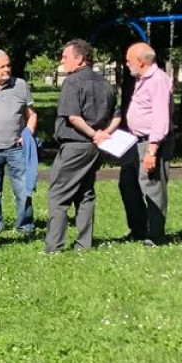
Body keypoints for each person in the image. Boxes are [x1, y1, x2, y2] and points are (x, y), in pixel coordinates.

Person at [98, 42, 172, 246]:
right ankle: (138, 230)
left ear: (141, 62)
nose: (126, 64)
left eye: (129, 60)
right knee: (127, 183)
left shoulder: (158, 80)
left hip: (150, 142)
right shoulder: (141, 79)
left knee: (151, 186)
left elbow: (160, 118)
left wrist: (152, 151)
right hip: (134, 140)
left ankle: (155, 235)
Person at [45, 39, 115, 253]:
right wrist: (104, 135)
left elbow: (73, 117)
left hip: (75, 145)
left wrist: (94, 134)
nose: (62, 61)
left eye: (65, 57)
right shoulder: (105, 83)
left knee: (58, 194)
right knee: (85, 193)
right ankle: (84, 244)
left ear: (79, 58)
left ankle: (53, 246)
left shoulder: (72, 82)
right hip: (95, 148)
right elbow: (118, 116)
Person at [0, 50, 38, 237]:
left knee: (23, 189)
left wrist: (27, 133)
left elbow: (32, 114)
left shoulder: (20, 85)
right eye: (2, 66)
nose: (7, 69)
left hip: (16, 148)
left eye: (8, 65)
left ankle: (25, 226)